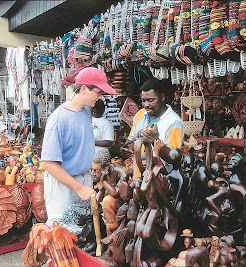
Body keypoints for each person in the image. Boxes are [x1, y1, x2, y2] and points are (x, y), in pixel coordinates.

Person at [40, 67, 116, 225]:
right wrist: (79, 188)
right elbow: (48, 163)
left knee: (82, 230)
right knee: (62, 231)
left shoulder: (86, 112)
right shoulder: (59, 119)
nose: (100, 98)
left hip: (83, 179)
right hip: (63, 184)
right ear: (83, 89)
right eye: (98, 92)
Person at [128, 78, 184, 178]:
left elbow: (174, 158)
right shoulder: (140, 115)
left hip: (160, 182)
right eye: (143, 101)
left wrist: (155, 141)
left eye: (150, 100)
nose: (146, 105)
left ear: (162, 97)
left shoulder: (174, 122)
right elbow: (131, 146)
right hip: (138, 178)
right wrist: (138, 137)